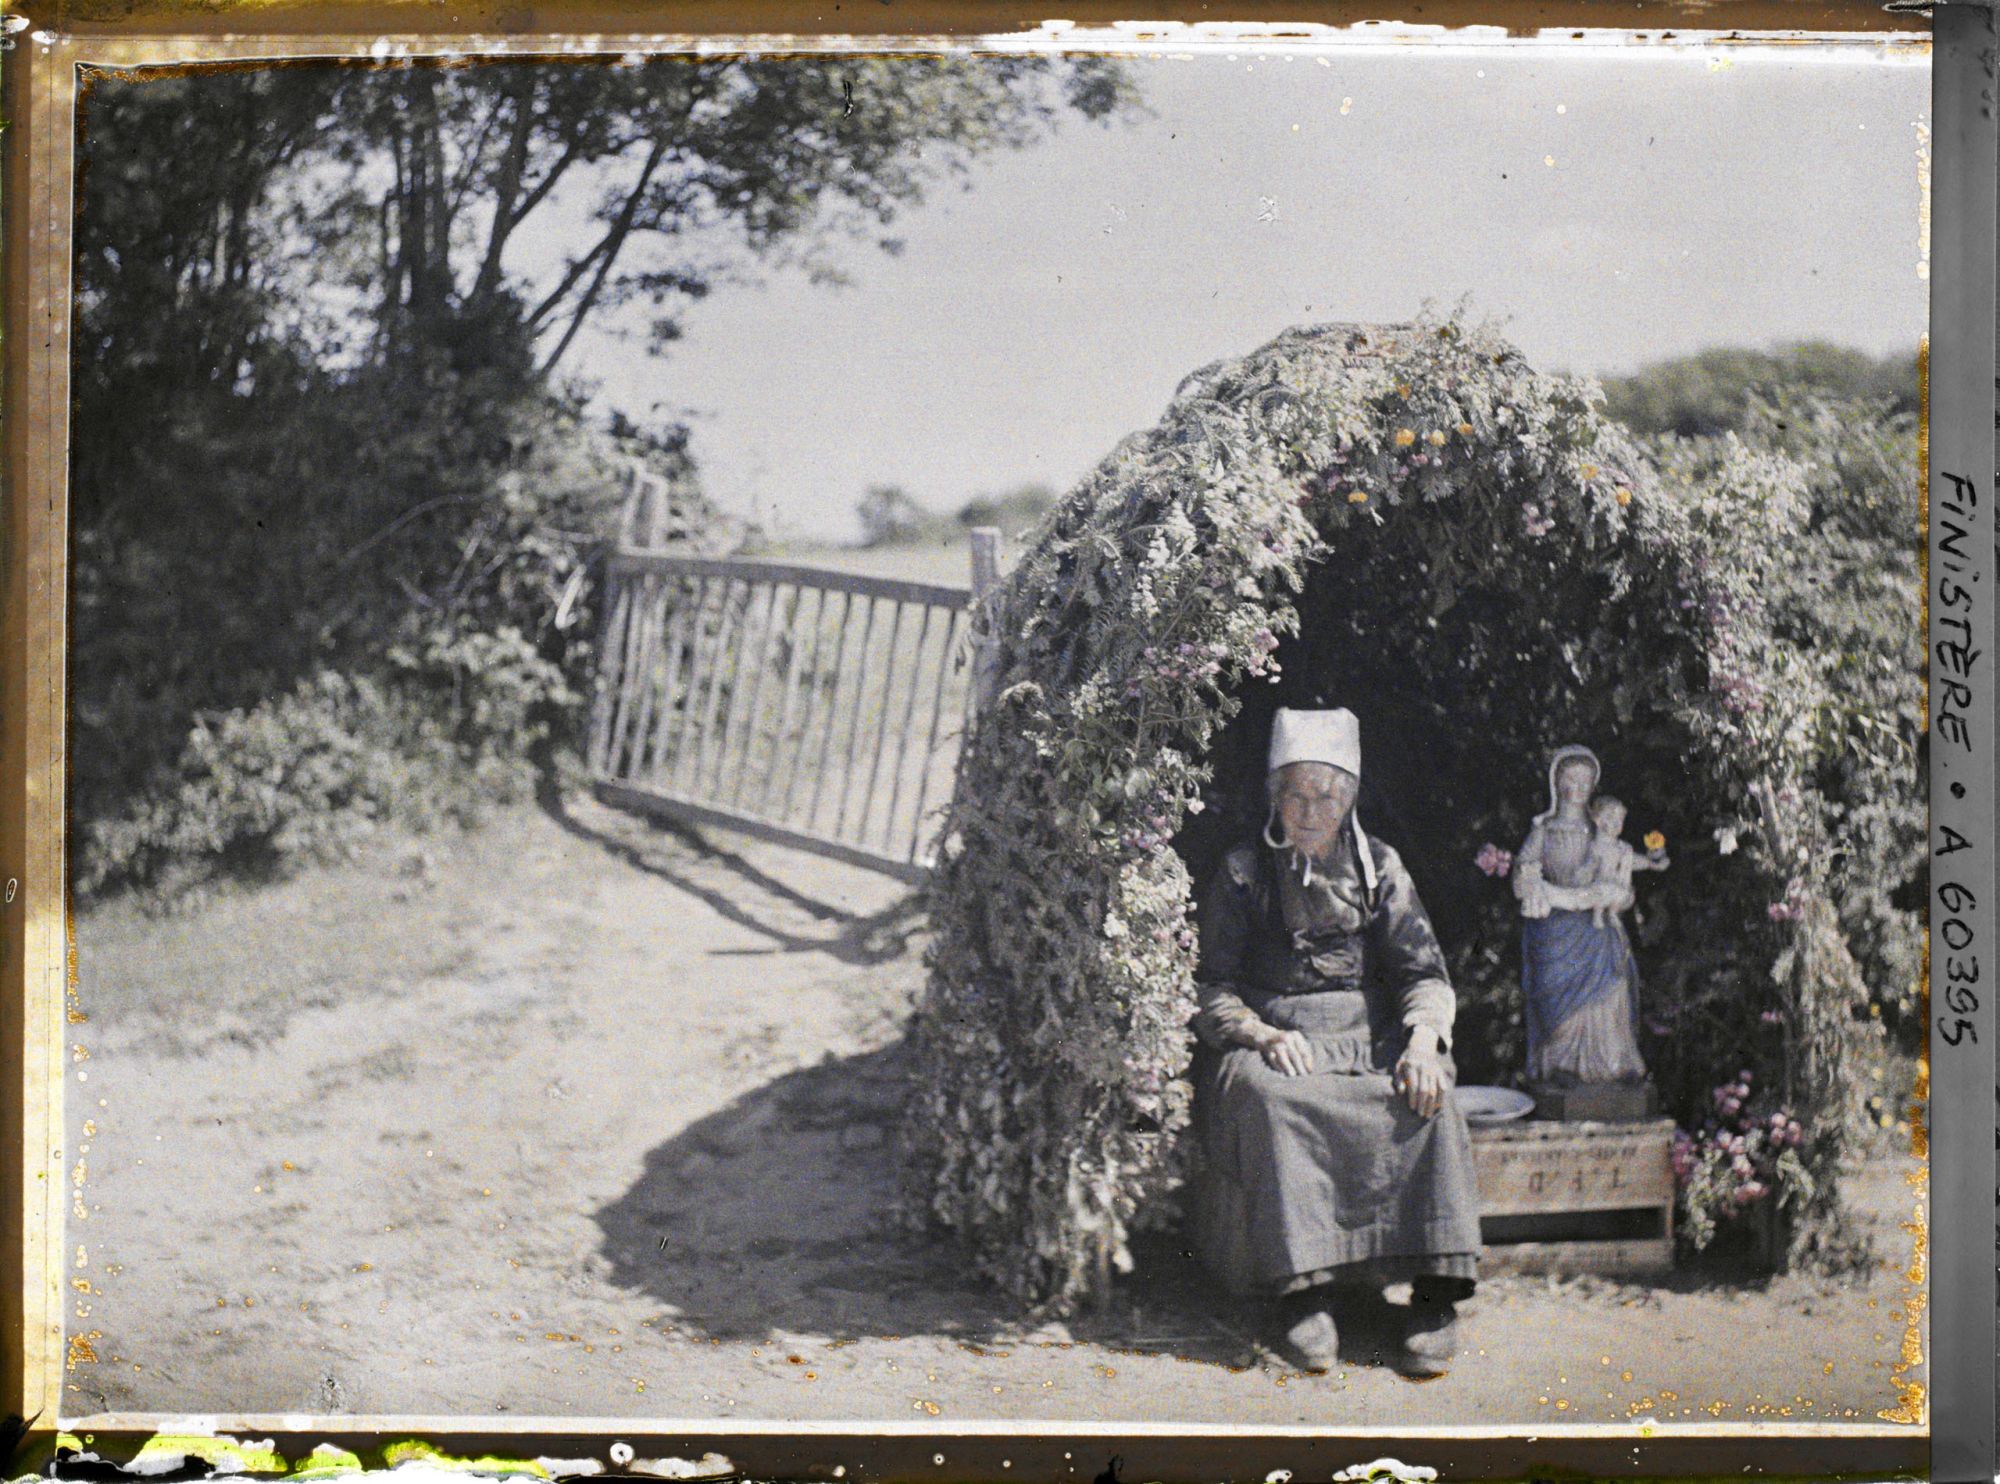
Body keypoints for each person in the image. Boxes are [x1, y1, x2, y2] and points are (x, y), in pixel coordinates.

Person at [1190, 707, 1482, 1378]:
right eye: (1296, 794)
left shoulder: (1380, 868)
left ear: (1348, 799)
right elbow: (1211, 988)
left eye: (1327, 795)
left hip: (1369, 1034)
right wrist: (1261, 1034)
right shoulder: (1244, 873)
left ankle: (1434, 1299)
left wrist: (1421, 1041)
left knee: (1428, 1099)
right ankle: (1306, 1297)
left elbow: (1423, 972)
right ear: (1275, 797)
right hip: (1274, 1037)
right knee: (1272, 1103)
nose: (1311, 810)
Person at [1512, 746, 1649, 1085]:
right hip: (1554, 932)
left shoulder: (1603, 829)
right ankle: (1561, 1068)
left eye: (1584, 781)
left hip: (1597, 931)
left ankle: (1609, 1069)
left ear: (1592, 787)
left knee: (1607, 995)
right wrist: (1529, 884)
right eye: (1568, 779)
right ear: (1555, 783)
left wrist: (1619, 895)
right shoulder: (1543, 831)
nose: (1575, 787)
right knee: (1558, 1008)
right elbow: (1522, 878)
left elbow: (1622, 882)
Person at [1582, 794, 1670, 928]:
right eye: (1611, 818)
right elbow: (1590, 864)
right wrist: (1585, 872)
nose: (1617, 823)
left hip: (1618, 887)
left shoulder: (1623, 847)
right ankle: (1598, 914)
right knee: (1602, 891)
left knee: (1623, 893)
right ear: (1598, 820)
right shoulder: (1596, 846)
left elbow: (1634, 861)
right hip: (1601, 886)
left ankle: (1613, 912)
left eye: (1620, 819)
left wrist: (1653, 864)